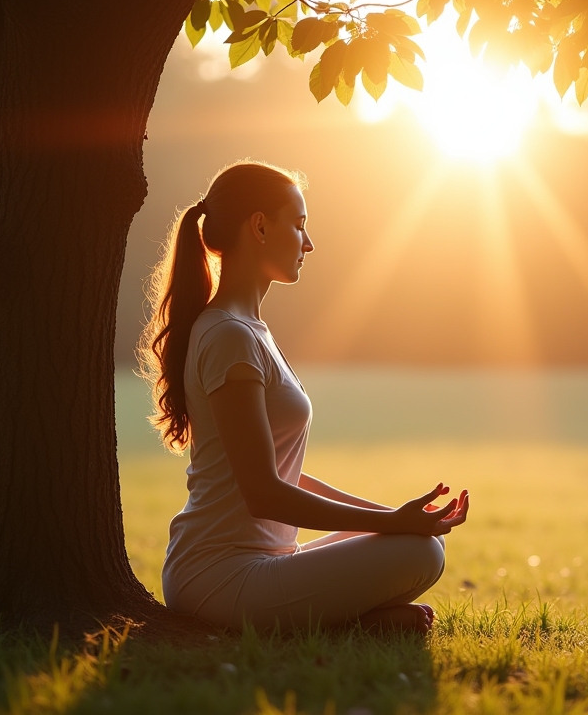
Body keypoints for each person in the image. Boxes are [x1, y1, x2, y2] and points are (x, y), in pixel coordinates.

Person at [139, 160, 469, 634]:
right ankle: (350, 625)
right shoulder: (230, 337)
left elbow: (278, 471)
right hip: (220, 577)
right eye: (298, 226)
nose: (308, 243)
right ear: (259, 226)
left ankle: (354, 621)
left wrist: (389, 516)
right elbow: (263, 493)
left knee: (415, 543)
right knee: (418, 553)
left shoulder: (246, 330)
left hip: (258, 564)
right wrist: (397, 524)